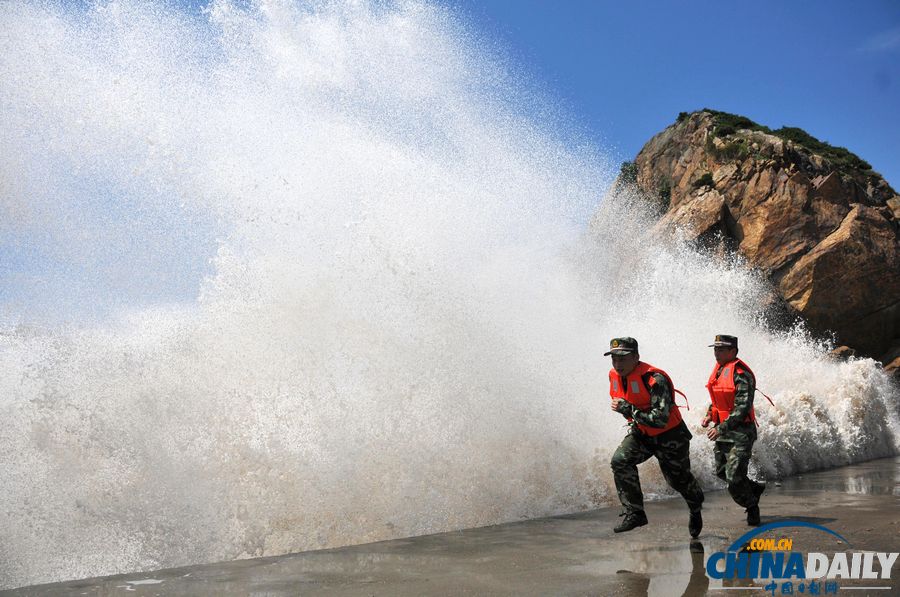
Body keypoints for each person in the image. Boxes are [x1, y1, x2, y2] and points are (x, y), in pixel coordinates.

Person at [607, 337, 704, 536]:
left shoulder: (654, 379)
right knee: (620, 461)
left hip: (670, 436)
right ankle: (635, 513)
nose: (618, 364)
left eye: (623, 358)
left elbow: (659, 419)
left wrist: (628, 409)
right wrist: (630, 413)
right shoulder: (614, 375)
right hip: (642, 433)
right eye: (614, 359)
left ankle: (695, 506)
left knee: (678, 481)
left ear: (636, 357)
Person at [701, 334, 766, 526]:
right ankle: (754, 488)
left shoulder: (741, 374)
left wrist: (720, 428)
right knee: (721, 472)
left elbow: (742, 408)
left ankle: (752, 506)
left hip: (741, 432)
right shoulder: (719, 370)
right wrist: (709, 415)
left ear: (733, 351)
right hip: (723, 430)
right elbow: (718, 400)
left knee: (734, 476)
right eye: (715, 349)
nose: (717, 353)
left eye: (721, 350)